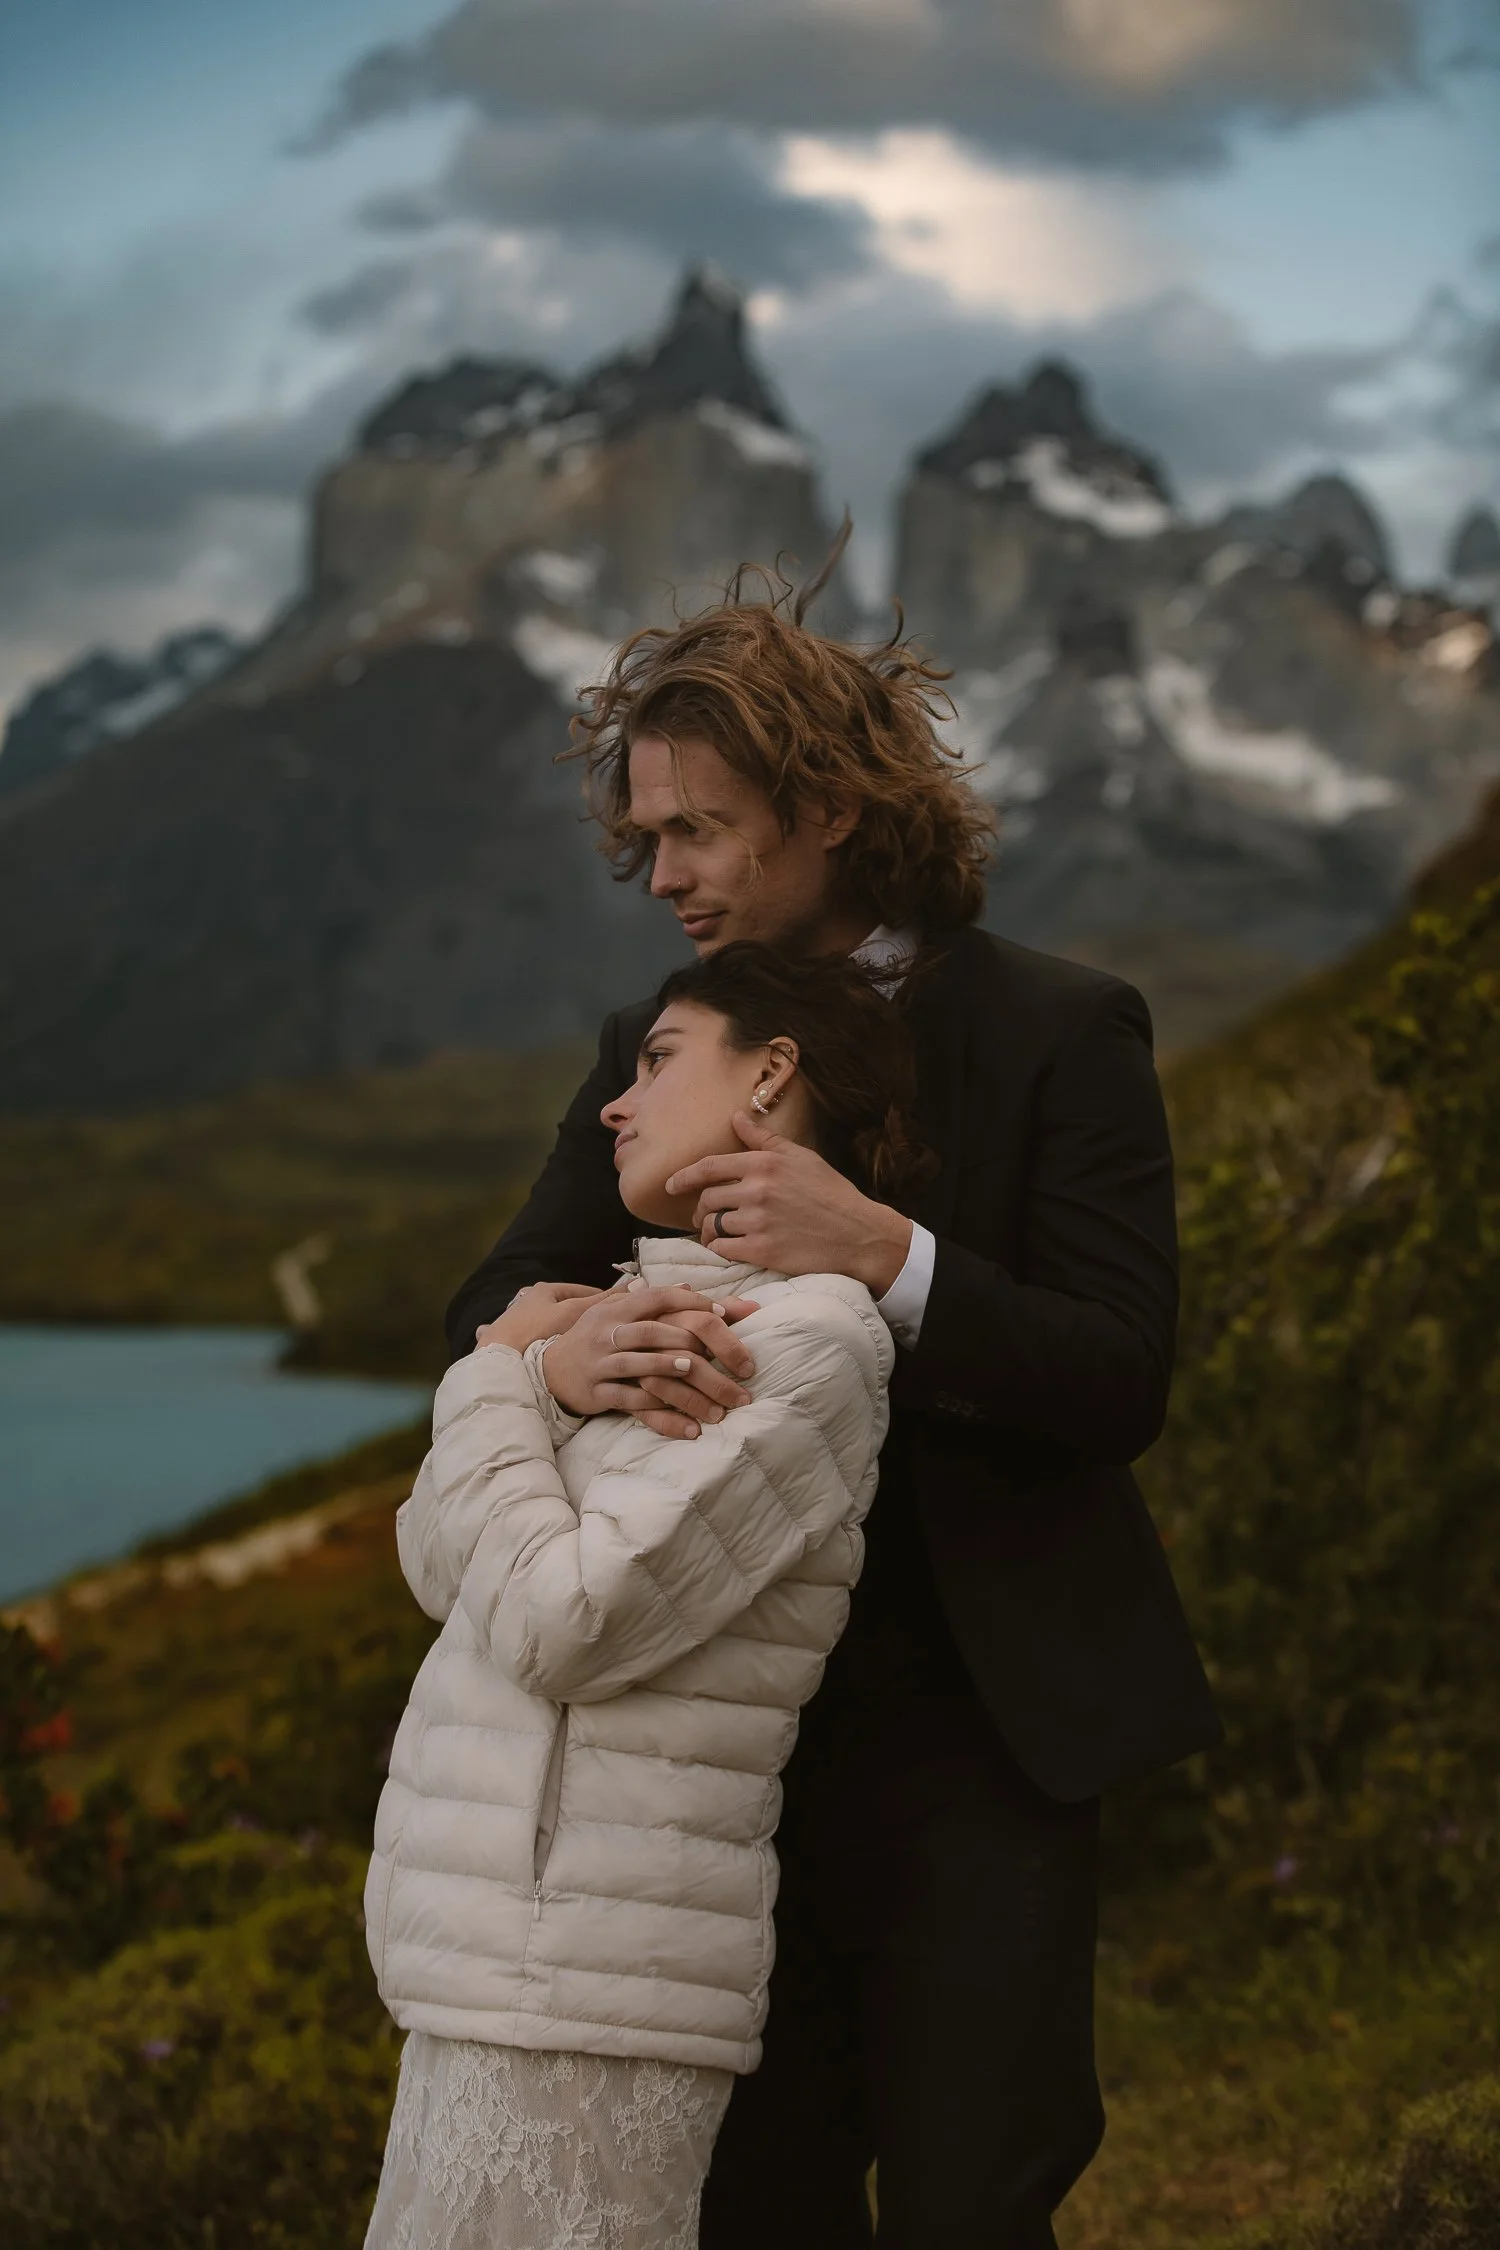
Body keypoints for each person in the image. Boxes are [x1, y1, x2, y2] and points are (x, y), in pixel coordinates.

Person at [445, 577, 1223, 2248]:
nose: (664, 878)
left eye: (701, 831)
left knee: (971, 2196)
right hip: (709, 1758)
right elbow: (492, 1299)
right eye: (648, 837)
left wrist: (894, 1260)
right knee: (749, 2205)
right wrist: (554, 1357)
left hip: (980, 1733)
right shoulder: (646, 1044)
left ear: (832, 808)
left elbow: (1120, 1374)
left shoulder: (1060, 1028)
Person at [363, 941, 933, 2250]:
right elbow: (431, 1561)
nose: (616, 1103)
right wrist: (541, 1374)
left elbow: (568, 1623)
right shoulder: (625, 1316)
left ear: (773, 1075)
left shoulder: (805, 1341)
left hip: (597, 1975)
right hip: (489, 1953)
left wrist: (493, 1381)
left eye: (659, 1059)